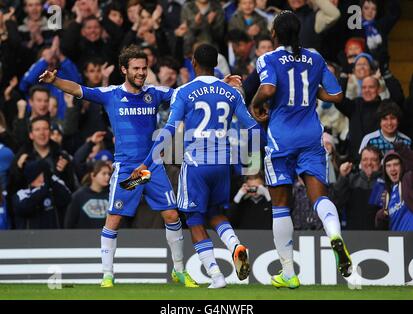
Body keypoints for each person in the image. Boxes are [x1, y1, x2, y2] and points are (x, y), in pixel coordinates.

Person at [38, 45, 198, 288]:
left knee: (172, 215)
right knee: (114, 219)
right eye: (136, 68)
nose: (141, 73)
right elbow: (80, 90)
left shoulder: (154, 93)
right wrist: (55, 81)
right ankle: (107, 275)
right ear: (124, 69)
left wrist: (212, 85)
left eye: (144, 68)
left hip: (149, 169)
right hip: (128, 170)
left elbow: (183, 92)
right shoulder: (111, 94)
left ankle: (178, 270)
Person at [132, 44, 261, 289]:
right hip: (224, 163)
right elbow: (251, 128)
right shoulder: (231, 92)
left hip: (195, 164)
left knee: (193, 218)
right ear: (216, 64)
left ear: (193, 62)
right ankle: (235, 245)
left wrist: (146, 163)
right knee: (214, 212)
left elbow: (168, 131)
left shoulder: (183, 91)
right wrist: (263, 152)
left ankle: (216, 276)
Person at [249, 11, 352, 289]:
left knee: (281, 206)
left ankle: (288, 273)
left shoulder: (267, 59)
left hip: (281, 138)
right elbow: (337, 95)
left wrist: (255, 103)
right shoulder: (315, 57)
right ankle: (334, 235)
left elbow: (268, 89)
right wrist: (315, 92)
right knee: (319, 196)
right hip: (310, 136)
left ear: (274, 34)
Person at [375, 144, 413, 231]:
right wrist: (380, 216)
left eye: (396, 164)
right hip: (395, 241)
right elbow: (381, 227)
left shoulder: (408, 180)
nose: (392, 169)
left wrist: (403, 150)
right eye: (388, 165)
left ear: (402, 166)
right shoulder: (387, 195)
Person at [64, 160, 111, 229]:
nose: (107, 177)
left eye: (109, 174)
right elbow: (69, 222)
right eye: (104, 174)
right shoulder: (78, 196)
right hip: (83, 238)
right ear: (93, 175)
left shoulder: (111, 196)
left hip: (105, 238)